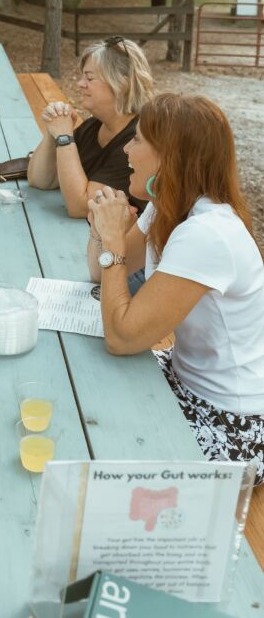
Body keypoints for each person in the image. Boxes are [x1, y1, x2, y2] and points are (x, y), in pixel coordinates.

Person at [87, 93, 264, 484]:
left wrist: (113, 241)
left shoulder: (207, 233)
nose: (126, 151)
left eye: (136, 140)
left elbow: (122, 336)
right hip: (186, 380)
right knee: (88, 392)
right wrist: (102, 227)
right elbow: (101, 273)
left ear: (169, 155)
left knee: (99, 439)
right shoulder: (168, 206)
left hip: (233, 423)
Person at [27, 36, 154, 219]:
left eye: (90, 78)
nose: (80, 84)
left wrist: (64, 137)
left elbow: (80, 207)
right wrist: (52, 130)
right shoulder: (93, 126)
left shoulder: (136, 140)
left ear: (122, 83)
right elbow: (40, 180)